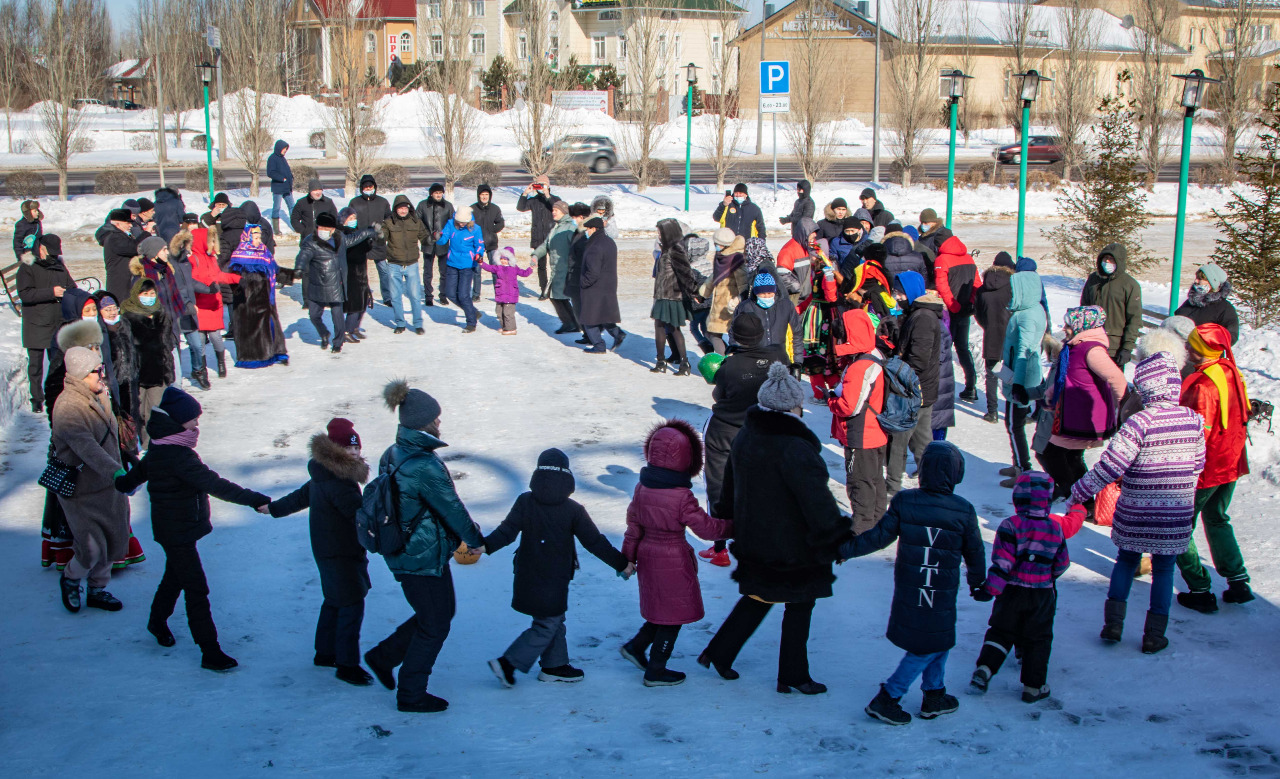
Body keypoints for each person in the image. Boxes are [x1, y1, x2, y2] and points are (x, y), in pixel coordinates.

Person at [700, 363, 852, 692]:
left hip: (756, 537)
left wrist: (727, 520)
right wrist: (835, 538)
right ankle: (793, 676)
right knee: (800, 603)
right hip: (794, 544)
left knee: (760, 595)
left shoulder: (746, 436)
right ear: (792, 407)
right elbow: (817, 501)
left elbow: (728, 485)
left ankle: (719, 652)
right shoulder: (795, 447)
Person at [116, 387, 271, 671]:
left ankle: (157, 621)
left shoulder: (159, 449)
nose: (197, 425)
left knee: (175, 577)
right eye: (193, 420)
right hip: (178, 532)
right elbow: (216, 485)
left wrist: (121, 478)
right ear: (178, 421)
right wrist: (255, 500)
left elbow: (128, 482)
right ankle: (210, 651)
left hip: (173, 529)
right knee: (197, 589)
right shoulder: (178, 456)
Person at [841, 441, 986, 726]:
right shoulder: (963, 510)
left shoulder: (906, 502)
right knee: (927, 644)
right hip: (940, 592)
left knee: (937, 638)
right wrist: (978, 583)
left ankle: (935, 694)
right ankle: (888, 697)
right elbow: (975, 552)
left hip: (912, 587)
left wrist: (846, 549)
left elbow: (879, 536)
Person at [1071, 352, 1205, 654]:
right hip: (1175, 514)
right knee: (1164, 569)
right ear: (1173, 385)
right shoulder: (1194, 421)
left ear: (1144, 387)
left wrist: (1079, 491)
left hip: (1136, 510)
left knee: (1127, 560)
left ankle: (1113, 624)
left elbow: (1110, 467)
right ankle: (1154, 635)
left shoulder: (1138, 422)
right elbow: (1198, 466)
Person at [364, 381, 485, 713]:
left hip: (412, 550)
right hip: (418, 556)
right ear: (423, 422)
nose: (439, 423)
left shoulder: (394, 452)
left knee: (439, 614)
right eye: (436, 418)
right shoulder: (423, 464)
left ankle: (383, 656)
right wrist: (474, 540)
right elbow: (452, 508)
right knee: (435, 624)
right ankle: (411, 694)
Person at [485, 448, 630, 687]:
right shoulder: (573, 509)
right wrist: (622, 563)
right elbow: (594, 542)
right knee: (547, 623)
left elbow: (506, 532)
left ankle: (555, 666)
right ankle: (508, 663)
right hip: (554, 576)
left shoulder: (525, 501)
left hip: (527, 572)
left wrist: (485, 546)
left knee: (553, 619)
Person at [619, 421, 732, 686]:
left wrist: (628, 557)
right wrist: (733, 526)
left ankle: (636, 647)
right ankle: (656, 669)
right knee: (673, 616)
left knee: (661, 610)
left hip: (648, 556)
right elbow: (706, 529)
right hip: (672, 557)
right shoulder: (681, 496)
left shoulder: (641, 488)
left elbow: (633, 527)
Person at [268, 418, 375, 686]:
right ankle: (347, 665)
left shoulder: (322, 474)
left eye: (356, 448)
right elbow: (358, 516)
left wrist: (273, 508)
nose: (353, 453)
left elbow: (300, 496)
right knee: (351, 603)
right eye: (347, 448)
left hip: (327, 549)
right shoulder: (340, 481)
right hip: (342, 551)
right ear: (334, 451)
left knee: (334, 599)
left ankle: (325, 653)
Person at [970, 473, 1082, 704]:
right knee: (1038, 638)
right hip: (1042, 594)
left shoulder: (1010, 525)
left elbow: (1002, 563)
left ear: (1017, 498)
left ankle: (985, 668)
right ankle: (1033, 686)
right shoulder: (1055, 528)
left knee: (1001, 630)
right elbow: (1062, 563)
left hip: (1011, 591)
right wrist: (1049, 577)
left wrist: (990, 589)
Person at [1176, 323, 1253, 612]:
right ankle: (1238, 581)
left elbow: (1199, 433)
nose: (1187, 348)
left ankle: (1200, 588)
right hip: (1231, 461)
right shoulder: (1230, 370)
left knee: (1179, 526)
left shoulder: (1204, 385)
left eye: (1192, 344)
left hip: (1208, 468)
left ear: (1203, 349)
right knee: (1218, 518)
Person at [698, 316, 785, 566]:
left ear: (734, 336)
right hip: (763, 431)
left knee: (718, 485)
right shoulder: (777, 357)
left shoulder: (729, 367)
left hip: (725, 431)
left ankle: (719, 548)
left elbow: (719, 393)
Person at [51, 346, 131, 614]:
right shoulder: (67, 406)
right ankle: (71, 578)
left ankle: (98, 588)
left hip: (108, 486)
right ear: (81, 374)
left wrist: (127, 459)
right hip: (82, 490)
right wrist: (116, 471)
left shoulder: (99, 395)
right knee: (91, 547)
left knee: (112, 539)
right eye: (97, 371)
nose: (102, 375)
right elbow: (87, 447)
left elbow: (109, 436)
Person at [1037, 306, 1126, 502]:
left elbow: (1116, 378)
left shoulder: (1092, 349)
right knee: (1071, 457)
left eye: (1069, 324)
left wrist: (1124, 409)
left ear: (1081, 325)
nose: (1065, 328)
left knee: (1052, 454)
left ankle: (1078, 499)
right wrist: (1053, 393)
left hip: (1082, 417)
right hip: (1071, 414)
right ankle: (1084, 502)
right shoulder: (1075, 346)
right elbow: (1068, 376)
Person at [827, 308, 888, 534]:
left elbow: (848, 407)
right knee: (874, 479)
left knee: (858, 481)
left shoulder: (859, 367)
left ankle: (862, 526)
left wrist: (831, 400)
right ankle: (879, 519)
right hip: (877, 431)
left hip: (861, 434)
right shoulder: (875, 355)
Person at [888, 271, 941, 495]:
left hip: (913, 389)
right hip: (922, 389)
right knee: (922, 442)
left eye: (899, 292)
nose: (896, 297)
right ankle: (933, 486)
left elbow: (918, 359)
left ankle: (891, 487)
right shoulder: (917, 314)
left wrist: (895, 369)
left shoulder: (923, 318)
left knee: (899, 440)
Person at [298, 210, 378, 351]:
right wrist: (299, 267)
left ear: (333, 228)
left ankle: (338, 342)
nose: (324, 230)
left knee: (337, 315)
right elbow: (303, 255)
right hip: (317, 283)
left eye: (327, 228)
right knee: (314, 315)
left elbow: (355, 237)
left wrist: (370, 231)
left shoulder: (339, 237)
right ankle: (324, 333)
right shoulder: (310, 241)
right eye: (321, 227)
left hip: (336, 282)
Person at [997, 269, 1048, 486]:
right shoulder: (1032, 309)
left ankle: (1023, 469)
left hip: (1021, 378)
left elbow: (1023, 353)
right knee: (1014, 424)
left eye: (1014, 290)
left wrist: (1017, 383)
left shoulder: (1027, 317)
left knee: (1014, 424)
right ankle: (1018, 462)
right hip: (1023, 375)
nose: (1011, 294)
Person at [173, 215, 239, 383]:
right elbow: (192, 281)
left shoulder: (211, 259)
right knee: (200, 338)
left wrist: (236, 279)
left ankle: (221, 363)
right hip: (201, 305)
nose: (212, 245)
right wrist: (207, 286)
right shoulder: (192, 260)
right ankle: (202, 370)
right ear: (202, 241)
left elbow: (219, 276)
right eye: (209, 241)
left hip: (214, 304)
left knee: (216, 336)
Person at [19, 233, 74, 414]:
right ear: (41, 248)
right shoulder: (27, 267)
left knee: (57, 363)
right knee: (35, 365)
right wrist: (51, 292)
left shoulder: (59, 265)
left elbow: (72, 287)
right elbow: (25, 294)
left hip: (56, 321)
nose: (53, 256)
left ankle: (57, 395)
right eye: (50, 253)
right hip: (35, 322)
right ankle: (36, 399)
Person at [122, 277, 177, 447]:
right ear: (137, 294)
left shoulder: (162, 313)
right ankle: (138, 442)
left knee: (155, 411)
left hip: (159, 372)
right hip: (137, 373)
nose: (149, 297)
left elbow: (168, 342)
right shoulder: (127, 316)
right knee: (138, 412)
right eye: (145, 293)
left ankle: (151, 445)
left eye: (152, 293)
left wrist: (168, 366)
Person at [226, 225, 288, 368]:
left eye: (260, 238)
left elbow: (275, 269)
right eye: (255, 238)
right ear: (247, 238)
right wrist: (240, 289)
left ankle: (275, 353)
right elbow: (233, 279)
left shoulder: (264, 252)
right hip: (247, 303)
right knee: (252, 331)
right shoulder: (239, 256)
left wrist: (291, 275)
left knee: (270, 327)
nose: (258, 241)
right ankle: (253, 358)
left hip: (266, 299)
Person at [933, 236, 982, 401]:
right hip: (965, 310)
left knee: (942, 348)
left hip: (949, 310)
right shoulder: (968, 258)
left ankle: (939, 388)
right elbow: (977, 284)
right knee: (962, 348)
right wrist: (970, 304)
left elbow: (942, 286)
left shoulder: (942, 259)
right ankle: (971, 387)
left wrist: (954, 306)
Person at [650, 218, 700, 375]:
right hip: (662, 295)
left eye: (660, 232)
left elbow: (685, 273)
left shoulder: (675, 249)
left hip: (672, 296)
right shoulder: (665, 249)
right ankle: (663, 361)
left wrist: (694, 292)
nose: (658, 235)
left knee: (671, 328)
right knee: (663, 327)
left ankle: (681, 363)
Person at [1080, 244, 1142, 368]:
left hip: (1114, 347)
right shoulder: (1093, 280)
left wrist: (1127, 348)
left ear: (1119, 261)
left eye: (1111, 259)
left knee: (1111, 384)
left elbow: (1134, 319)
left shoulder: (1129, 285)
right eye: (1105, 259)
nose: (1107, 262)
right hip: (1091, 342)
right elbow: (1083, 309)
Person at [974, 252, 1016, 423]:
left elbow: (978, 312)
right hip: (1010, 335)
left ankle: (992, 412)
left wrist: (988, 325)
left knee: (991, 374)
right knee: (1012, 373)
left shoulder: (984, 288)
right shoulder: (1013, 286)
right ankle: (1013, 410)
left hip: (991, 334)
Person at [381, 195, 430, 335]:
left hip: (411, 264)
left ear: (409, 208)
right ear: (395, 209)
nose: (402, 211)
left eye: (405, 208)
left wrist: (431, 239)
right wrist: (378, 234)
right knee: (395, 296)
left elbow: (424, 237)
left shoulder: (416, 222)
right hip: (393, 264)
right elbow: (383, 238)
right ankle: (400, 323)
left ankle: (418, 324)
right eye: (400, 208)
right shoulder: (389, 222)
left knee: (414, 295)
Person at [577, 218, 626, 352]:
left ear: (594, 229)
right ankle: (617, 334)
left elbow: (593, 271)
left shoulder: (594, 246)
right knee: (603, 314)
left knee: (589, 319)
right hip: (608, 285)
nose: (587, 232)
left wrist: (583, 282)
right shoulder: (609, 242)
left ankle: (599, 345)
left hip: (594, 288)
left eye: (588, 229)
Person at [348, 174, 393, 308]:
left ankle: (387, 297)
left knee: (384, 271)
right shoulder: (355, 202)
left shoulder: (382, 202)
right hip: (360, 242)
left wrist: (382, 231)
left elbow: (389, 219)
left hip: (378, 242)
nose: (368, 188)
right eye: (365, 186)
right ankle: (364, 296)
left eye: (370, 186)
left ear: (374, 187)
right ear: (361, 188)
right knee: (361, 273)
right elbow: (350, 220)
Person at [439, 205, 485, 333]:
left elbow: (480, 245)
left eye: (463, 222)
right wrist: (437, 237)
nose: (460, 223)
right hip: (452, 263)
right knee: (450, 294)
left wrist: (478, 254)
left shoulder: (476, 229)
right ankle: (473, 311)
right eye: (458, 221)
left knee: (464, 295)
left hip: (468, 265)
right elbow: (443, 240)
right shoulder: (450, 223)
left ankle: (471, 323)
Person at [702, 230, 748, 356]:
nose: (716, 246)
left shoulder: (736, 259)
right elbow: (714, 277)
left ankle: (727, 360)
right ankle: (728, 358)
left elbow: (743, 284)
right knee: (711, 333)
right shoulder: (721, 256)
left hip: (728, 306)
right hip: (718, 304)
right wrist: (702, 293)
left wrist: (738, 300)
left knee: (713, 334)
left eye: (718, 244)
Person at [1174, 262, 1239, 344]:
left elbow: (1231, 336)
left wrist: (1207, 340)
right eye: (1196, 277)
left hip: (1206, 354)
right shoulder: (1190, 302)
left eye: (1200, 279)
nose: (1196, 281)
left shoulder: (1224, 308)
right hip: (1183, 352)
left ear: (1212, 283)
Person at [517, 175, 556, 298]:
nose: (541, 187)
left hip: (553, 238)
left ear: (548, 186)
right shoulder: (534, 200)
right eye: (538, 185)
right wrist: (525, 193)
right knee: (541, 266)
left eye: (543, 185)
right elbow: (520, 207)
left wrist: (547, 195)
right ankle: (544, 290)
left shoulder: (554, 199)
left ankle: (554, 289)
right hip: (538, 238)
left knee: (555, 265)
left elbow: (557, 208)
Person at [478, 246, 533, 336]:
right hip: (500, 294)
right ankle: (504, 326)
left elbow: (524, 273)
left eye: (505, 259)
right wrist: (481, 262)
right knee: (499, 312)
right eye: (502, 259)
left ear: (510, 259)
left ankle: (511, 329)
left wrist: (530, 268)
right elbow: (488, 267)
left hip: (510, 295)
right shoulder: (498, 268)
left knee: (508, 313)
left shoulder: (514, 268)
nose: (503, 261)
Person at [415, 183, 455, 306]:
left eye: (440, 193)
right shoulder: (423, 205)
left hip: (443, 243)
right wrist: (427, 235)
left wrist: (444, 235)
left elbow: (452, 223)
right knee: (427, 271)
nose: (438, 195)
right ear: (431, 194)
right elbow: (417, 222)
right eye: (436, 193)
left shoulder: (448, 206)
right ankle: (428, 295)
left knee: (444, 271)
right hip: (428, 242)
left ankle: (443, 294)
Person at [472, 185, 506, 301]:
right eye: (482, 195)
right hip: (477, 245)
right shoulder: (473, 209)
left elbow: (501, 222)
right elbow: (468, 225)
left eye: (486, 195)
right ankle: (476, 294)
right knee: (476, 269)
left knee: (495, 269)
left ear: (490, 196)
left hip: (491, 243)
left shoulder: (495, 209)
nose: (484, 197)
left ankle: (498, 292)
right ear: (478, 196)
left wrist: (493, 230)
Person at [101, 208, 140, 304]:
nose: (131, 225)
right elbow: (133, 248)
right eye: (127, 223)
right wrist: (146, 234)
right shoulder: (114, 237)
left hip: (124, 282)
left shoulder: (120, 235)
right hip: (119, 285)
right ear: (118, 224)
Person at [266, 140, 294, 232]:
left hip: (287, 187)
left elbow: (287, 171)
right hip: (278, 187)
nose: (285, 151)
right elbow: (270, 172)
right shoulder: (272, 158)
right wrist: (282, 178)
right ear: (279, 148)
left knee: (292, 206)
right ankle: (276, 229)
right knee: (277, 208)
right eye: (284, 149)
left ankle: (295, 226)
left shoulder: (282, 158)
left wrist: (291, 177)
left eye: (286, 149)